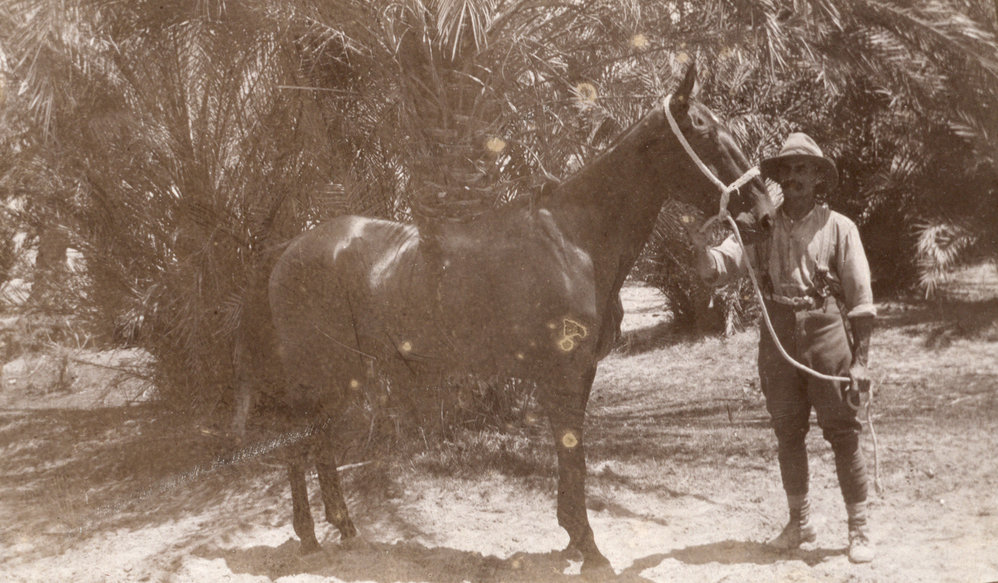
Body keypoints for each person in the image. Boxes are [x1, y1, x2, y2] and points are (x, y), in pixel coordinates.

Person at [686, 132, 876, 563]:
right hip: (776, 336)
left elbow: (862, 304)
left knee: (844, 435)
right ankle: (800, 522)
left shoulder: (840, 227)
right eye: (787, 169)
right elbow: (720, 267)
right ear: (779, 178)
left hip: (826, 332)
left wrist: (860, 363)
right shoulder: (760, 227)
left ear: (817, 177)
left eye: (802, 169)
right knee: (787, 433)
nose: (793, 177)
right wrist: (701, 250)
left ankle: (860, 529)